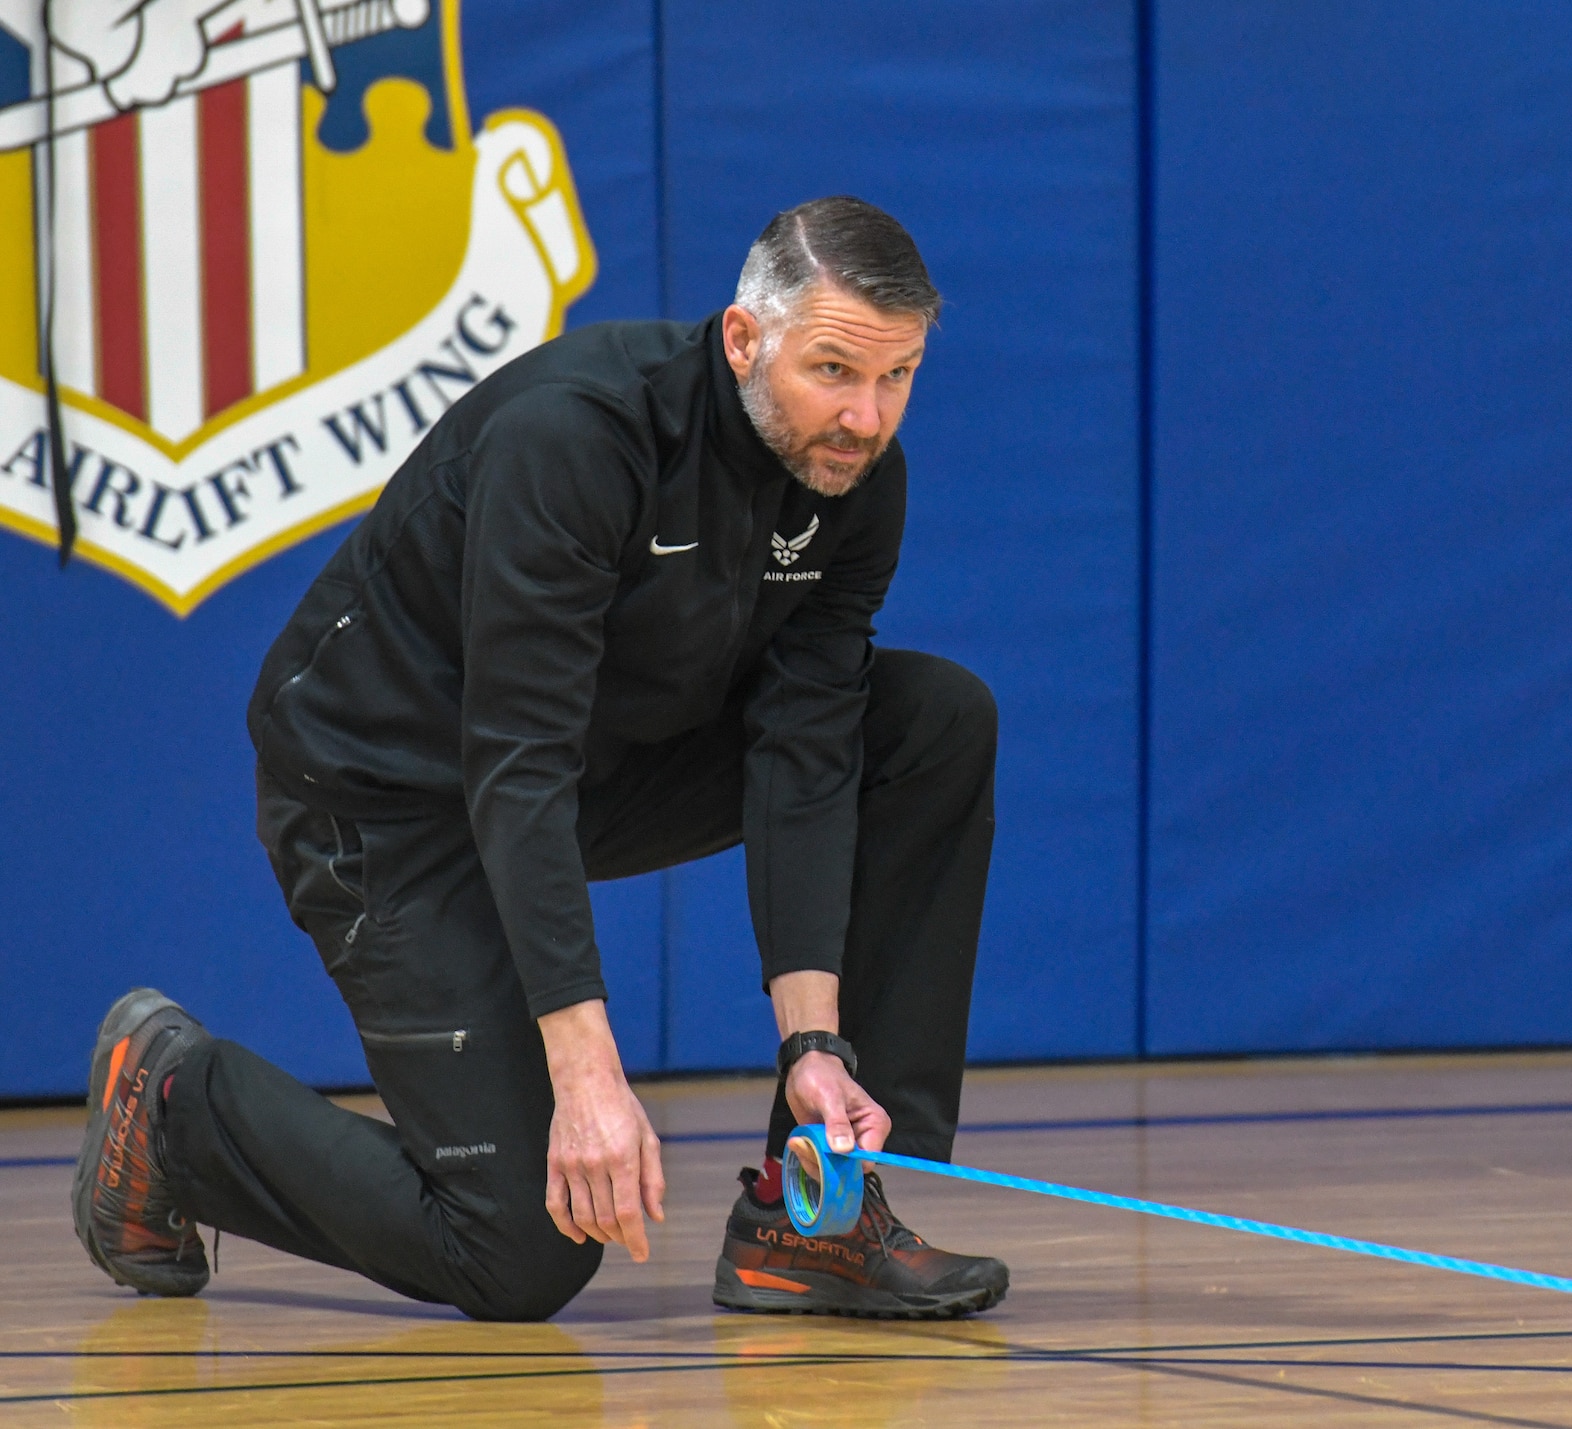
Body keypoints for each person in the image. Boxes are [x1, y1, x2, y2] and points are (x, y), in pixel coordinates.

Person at [70, 196, 1009, 1322]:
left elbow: (803, 751)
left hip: (587, 772)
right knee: (521, 1251)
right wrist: (588, 1077)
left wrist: (811, 1039)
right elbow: (514, 757)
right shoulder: (576, 437)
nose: (865, 416)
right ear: (742, 338)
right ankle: (174, 1106)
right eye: (833, 371)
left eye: (897, 375)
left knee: (929, 722)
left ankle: (813, 1210)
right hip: (384, 797)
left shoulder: (850, 480)